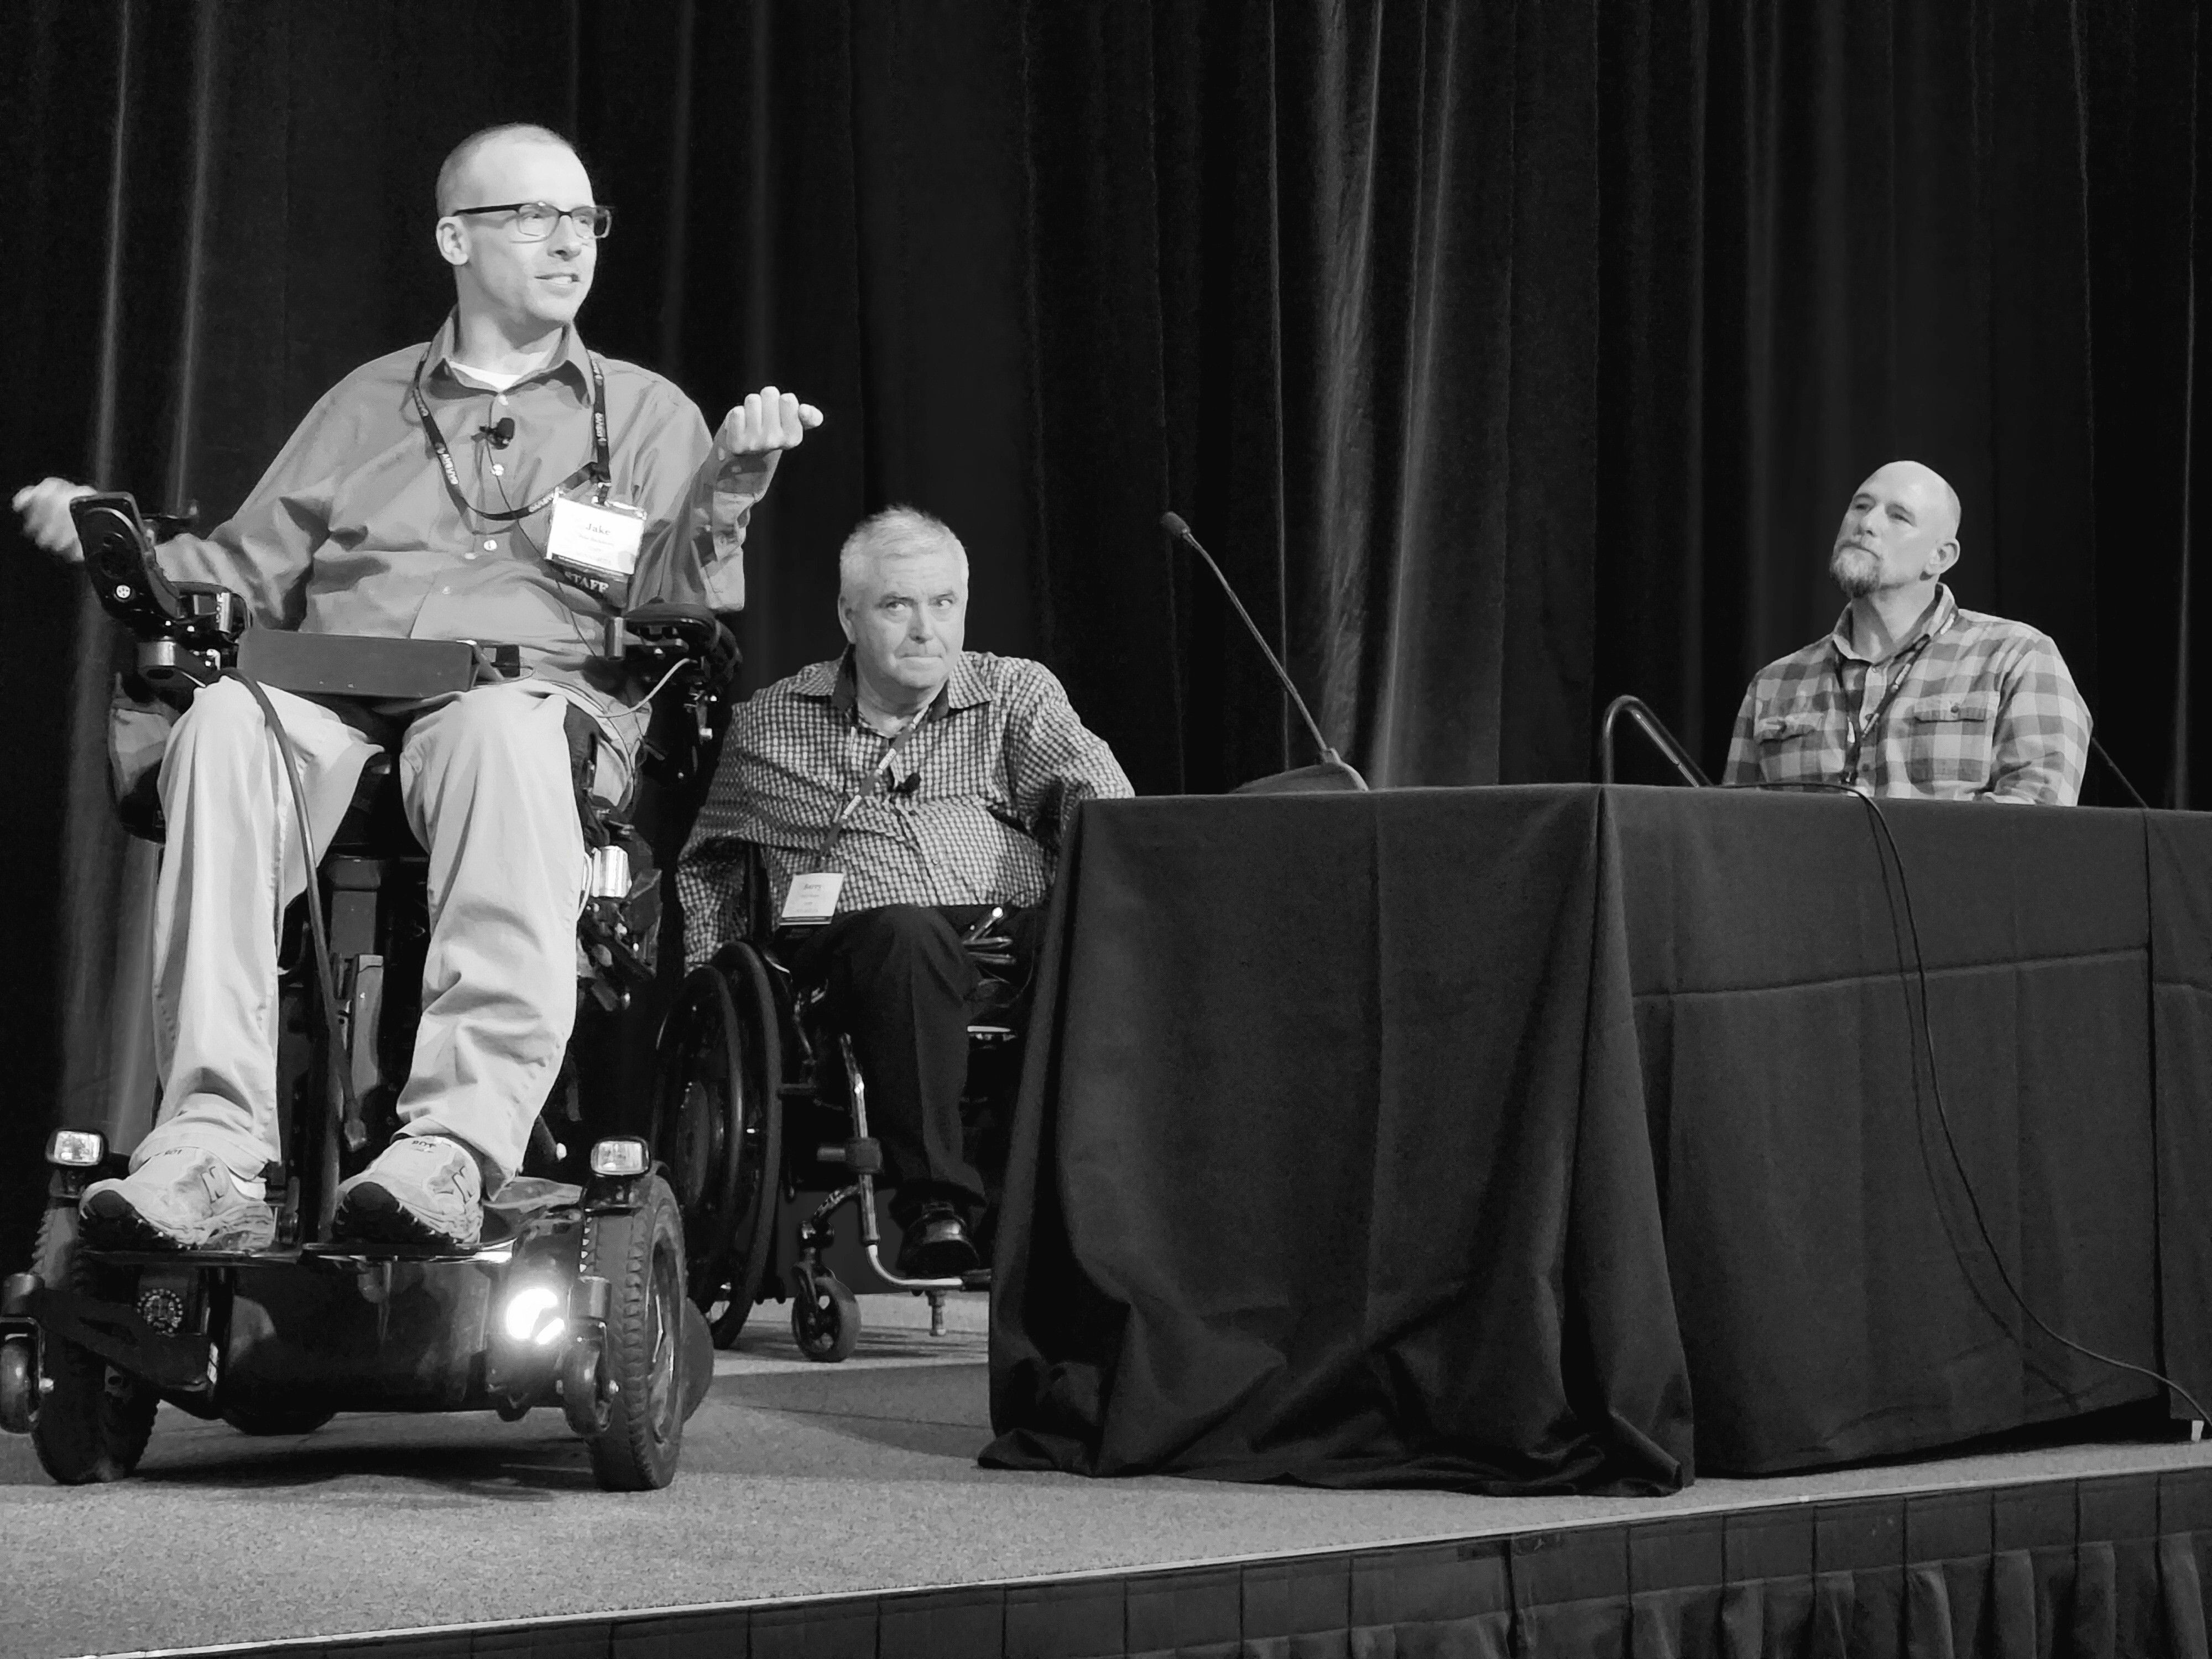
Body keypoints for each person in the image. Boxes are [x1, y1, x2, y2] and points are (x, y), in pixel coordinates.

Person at [11, 123, 821, 1253]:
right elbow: (241, 573)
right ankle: (208, 1145)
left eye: (585, 220)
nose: (569, 242)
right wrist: (117, 543)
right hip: (338, 693)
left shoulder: (642, 414)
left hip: (528, 701)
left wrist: (731, 485)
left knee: (495, 728)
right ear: (455, 237)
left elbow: (677, 604)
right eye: (533, 215)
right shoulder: (365, 404)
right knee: (225, 725)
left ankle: (453, 1147)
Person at [677, 506, 1131, 1277]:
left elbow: (1106, 806)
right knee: (905, 935)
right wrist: (710, 1000)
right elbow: (709, 863)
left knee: (1097, 929)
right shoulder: (772, 724)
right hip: (858, 950)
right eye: (897, 605)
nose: (926, 629)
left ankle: (1090, 1216)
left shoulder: (1014, 694)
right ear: (850, 617)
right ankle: (938, 1208)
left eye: (944, 604)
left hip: (1002, 936)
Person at [1722, 460, 2090, 803]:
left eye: (1898, 517)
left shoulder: (2016, 657)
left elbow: (2038, 820)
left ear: (1940, 557)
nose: (1866, 524)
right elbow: (1734, 838)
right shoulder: (1774, 685)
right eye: (1861, 506)